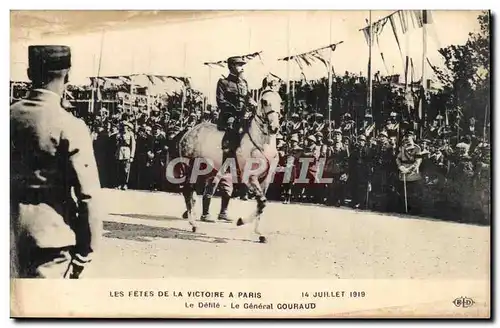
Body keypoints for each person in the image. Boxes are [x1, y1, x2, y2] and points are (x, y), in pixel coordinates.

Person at [10, 45, 102, 278]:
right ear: (68, 75)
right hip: (50, 240)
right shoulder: (70, 126)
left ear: (30, 74)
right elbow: (88, 195)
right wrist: (86, 250)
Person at [216, 55, 258, 164]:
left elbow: (247, 97)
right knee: (231, 138)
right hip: (229, 116)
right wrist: (234, 112)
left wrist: (253, 103)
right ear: (232, 67)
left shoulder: (244, 83)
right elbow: (221, 101)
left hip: (244, 116)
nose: (242, 67)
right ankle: (228, 166)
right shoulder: (223, 82)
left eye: (242, 65)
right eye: (239, 65)